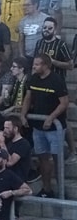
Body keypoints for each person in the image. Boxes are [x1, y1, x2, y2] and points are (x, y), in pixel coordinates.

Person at [20, 53, 69, 197]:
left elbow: (64, 103)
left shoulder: (56, 80)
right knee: (42, 158)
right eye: (34, 64)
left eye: (37, 64)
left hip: (55, 128)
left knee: (57, 159)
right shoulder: (33, 78)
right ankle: (46, 189)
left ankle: (62, 191)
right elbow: (28, 97)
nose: (33, 67)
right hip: (38, 127)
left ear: (46, 66)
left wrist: (51, 118)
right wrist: (23, 114)